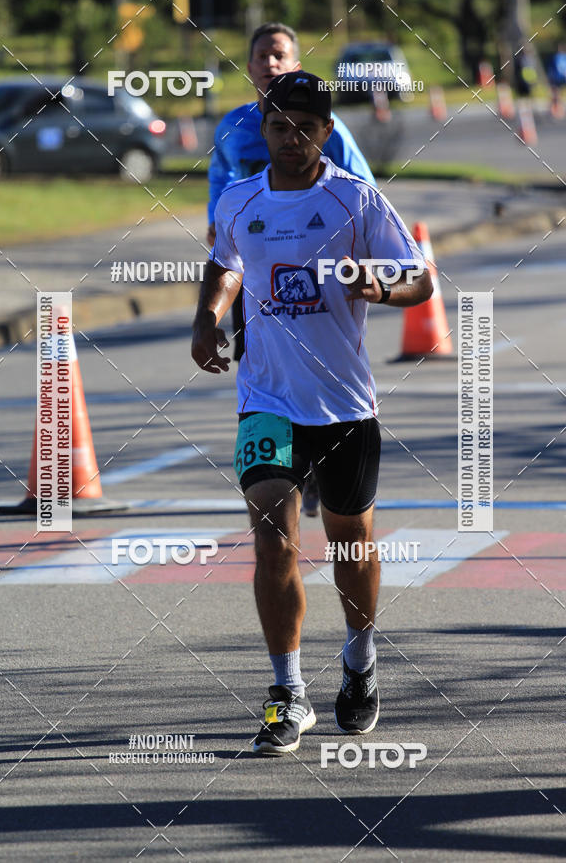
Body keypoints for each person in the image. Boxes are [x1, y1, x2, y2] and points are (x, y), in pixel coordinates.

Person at [192, 70, 432, 755]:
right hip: (266, 398)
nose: (290, 138)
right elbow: (224, 262)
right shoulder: (240, 200)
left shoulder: (355, 200)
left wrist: (380, 286)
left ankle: (359, 662)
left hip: (344, 405)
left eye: (304, 127)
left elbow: (418, 278)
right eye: (278, 126)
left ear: (326, 132)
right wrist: (208, 316)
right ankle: (287, 693)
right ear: (262, 131)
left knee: (351, 544)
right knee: (273, 536)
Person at [207, 22, 377, 517]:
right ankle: (282, 467)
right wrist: (209, 303)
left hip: (324, 276)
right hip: (255, 268)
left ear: (296, 63)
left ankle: (323, 459)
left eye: (279, 54)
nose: (270, 63)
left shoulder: (331, 127)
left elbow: (361, 191)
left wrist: (371, 274)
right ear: (250, 66)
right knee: (259, 357)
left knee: (316, 359)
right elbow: (221, 191)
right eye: (261, 55)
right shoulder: (233, 128)